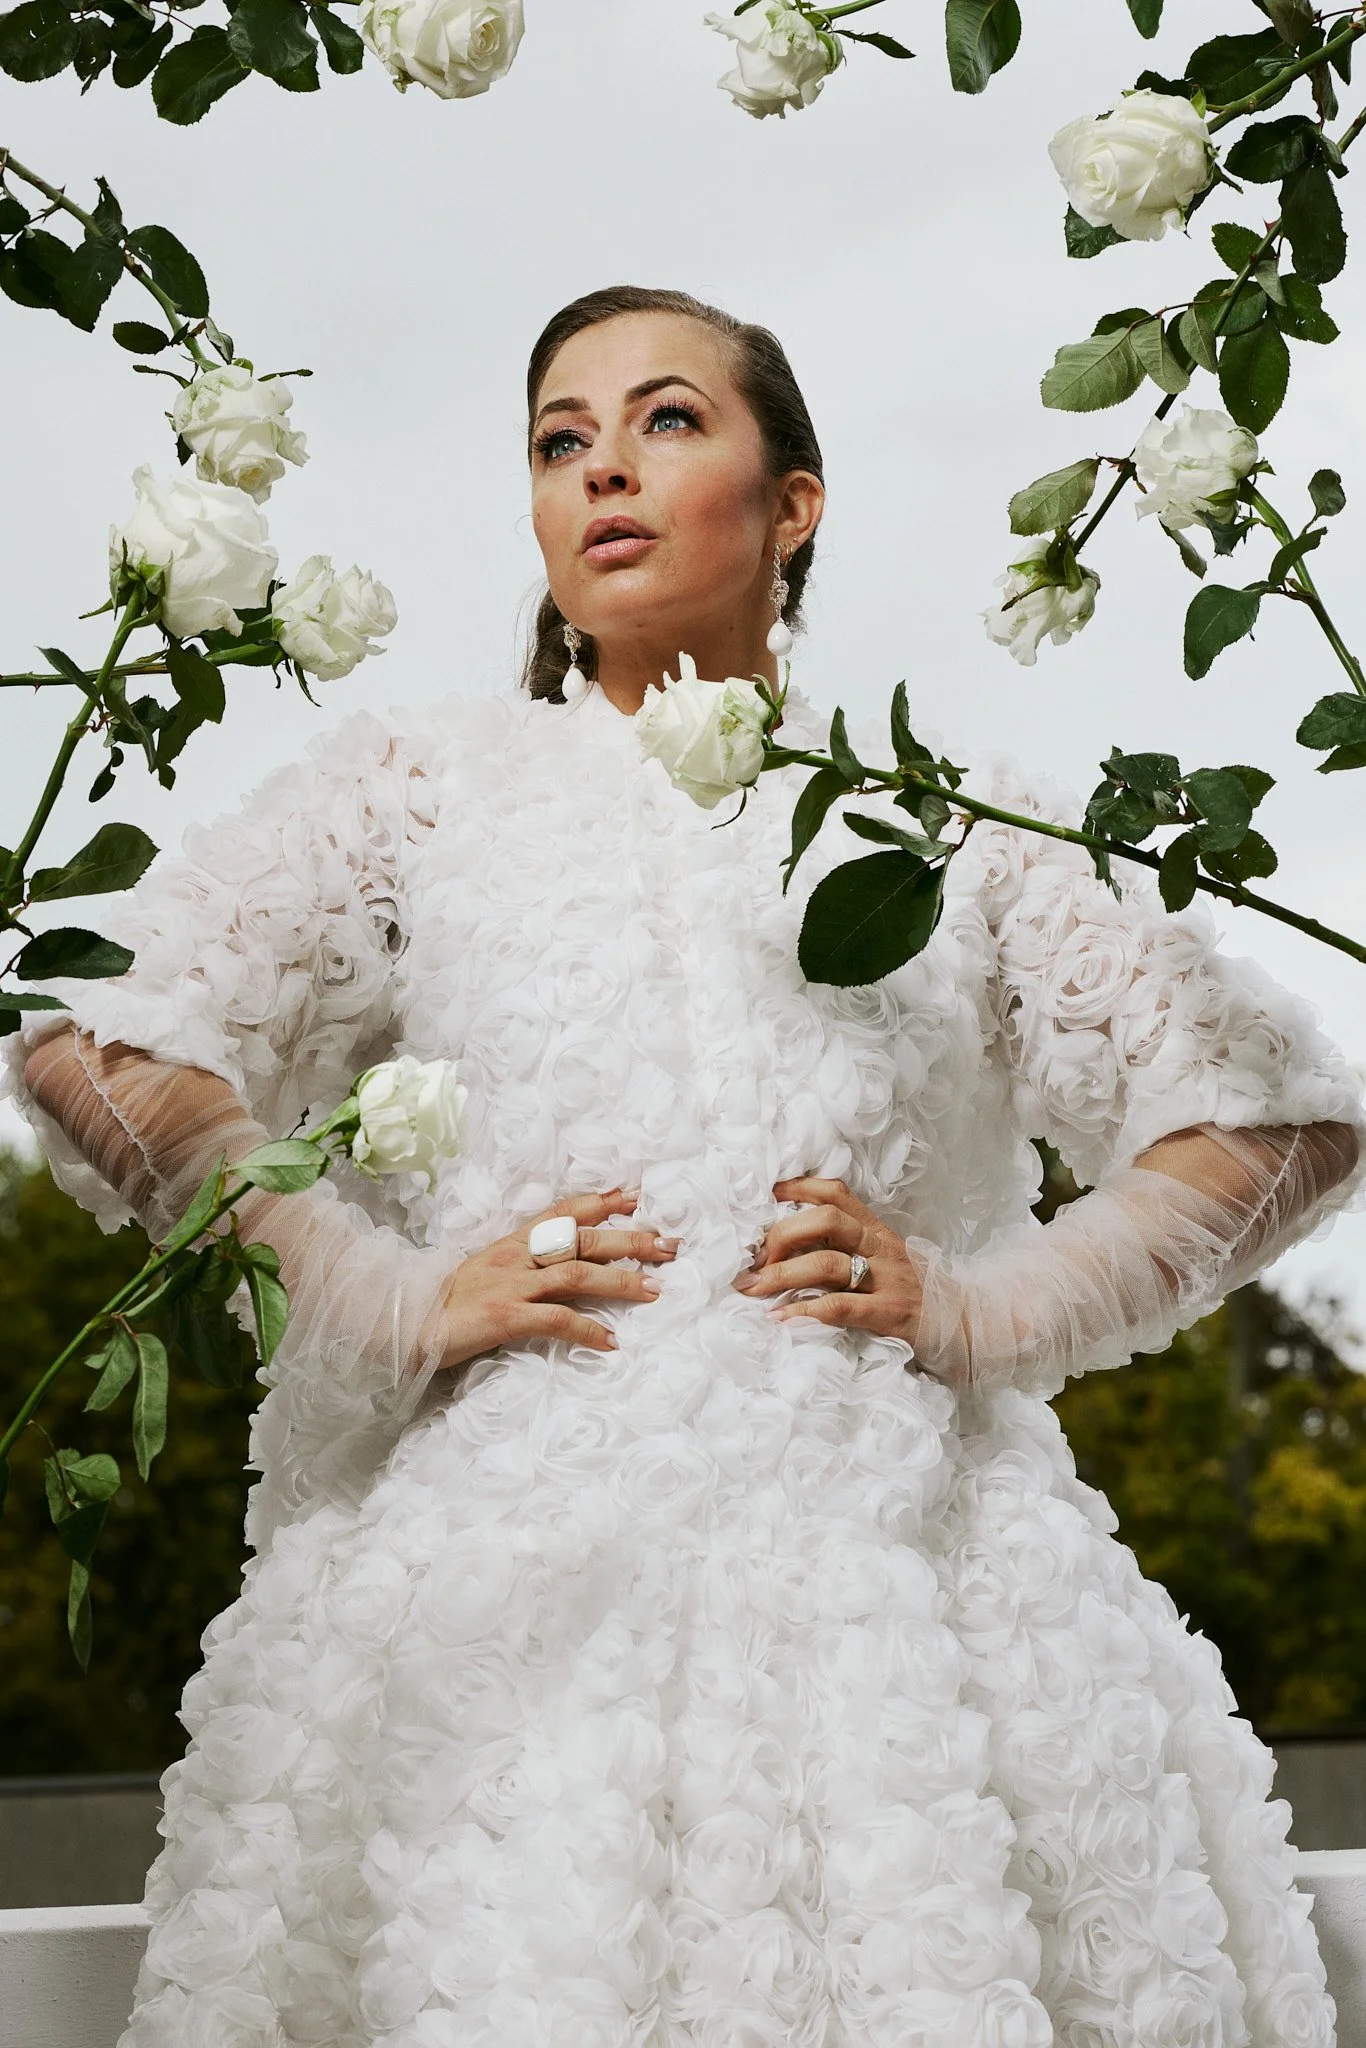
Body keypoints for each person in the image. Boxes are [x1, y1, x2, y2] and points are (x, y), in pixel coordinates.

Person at [13, 284, 1363, 2048]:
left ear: (791, 501)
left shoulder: (943, 822)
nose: (601, 472)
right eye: (560, 441)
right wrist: (382, 1292)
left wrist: (985, 1305)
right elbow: (97, 1052)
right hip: (497, 1647)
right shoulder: (425, 791)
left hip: (915, 1622)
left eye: (664, 422)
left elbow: (1278, 1116)